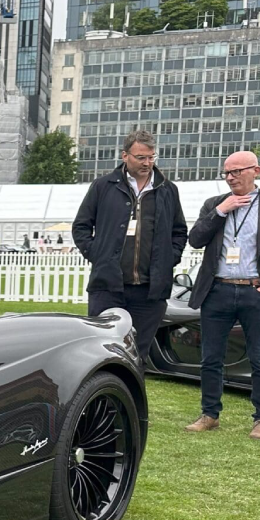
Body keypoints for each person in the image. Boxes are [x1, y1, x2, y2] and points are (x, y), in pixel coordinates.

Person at [184, 151, 260, 440]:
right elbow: (196, 239)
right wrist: (222, 210)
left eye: (237, 171)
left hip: (256, 291)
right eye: (226, 172)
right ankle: (209, 414)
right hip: (217, 290)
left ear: (255, 170)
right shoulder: (215, 204)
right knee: (210, 358)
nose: (230, 177)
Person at [71, 129, 188, 359]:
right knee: (100, 352)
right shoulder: (103, 186)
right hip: (108, 288)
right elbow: (81, 226)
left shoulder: (167, 190)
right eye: (141, 157)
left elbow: (179, 231)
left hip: (150, 292)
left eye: (151, 157)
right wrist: (98, 255)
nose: (147, 163)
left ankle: (131, 395)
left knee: (137, 356)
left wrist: (169, 259)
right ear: (125, 156)